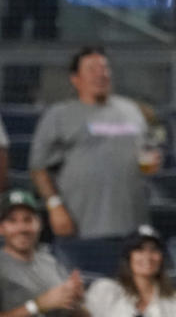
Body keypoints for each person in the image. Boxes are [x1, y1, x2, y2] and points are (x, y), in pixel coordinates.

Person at [29, 47, 150, 238]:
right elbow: (38, 168)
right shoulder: (59, 115)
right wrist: (54, 206)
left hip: (132, 222)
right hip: (81, 224)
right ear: (75, 79)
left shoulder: (132, 111)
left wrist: (152, 162)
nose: (100, 74)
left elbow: (146, 153)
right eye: (92, 69)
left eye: (104, 68)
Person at [0, 189, 87, 316]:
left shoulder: (50, 261)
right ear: (1, 228)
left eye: (28, 220)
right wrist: (37, 305)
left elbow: (71, 309)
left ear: (39, 224)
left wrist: (76, 300)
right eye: (12, 221)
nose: (22, 228)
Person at [85, 225, 176, 317]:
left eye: (154, 250)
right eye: (140, 250)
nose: (148, 257)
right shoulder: (106, 291)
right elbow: (84, 314)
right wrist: (72, 305)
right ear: (128, 257)